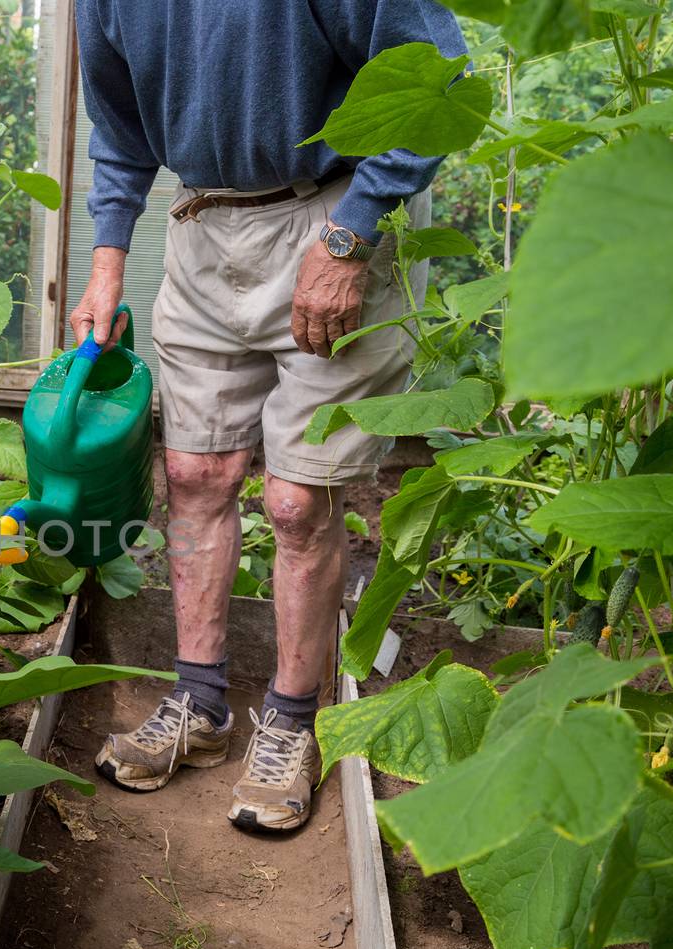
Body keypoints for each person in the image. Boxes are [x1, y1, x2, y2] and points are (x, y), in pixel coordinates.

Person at [73, 0, 465, 831]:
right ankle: (201, 705)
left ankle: (291, 720)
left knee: (297, 499)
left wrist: (354, 234)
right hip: (205, 224)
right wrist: (106, 263)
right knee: (193, 473)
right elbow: (117, 125)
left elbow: (437, 74)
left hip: (331, 221)